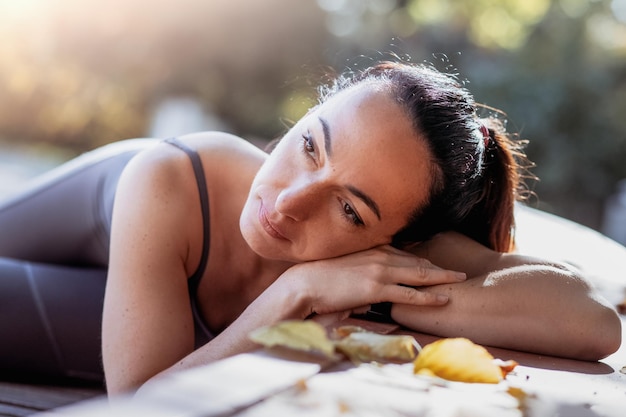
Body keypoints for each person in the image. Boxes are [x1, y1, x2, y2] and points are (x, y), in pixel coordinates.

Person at [0, 61, 620, 395]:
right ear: (304, 115)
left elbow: (593, 315)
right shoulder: (169, 179)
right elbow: (137, 404)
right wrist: (293, 295)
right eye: (309, 146)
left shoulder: (396, 256)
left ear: (397, 240)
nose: (290, 200)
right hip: (113, 204)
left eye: (350, 210)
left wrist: (387, 293)